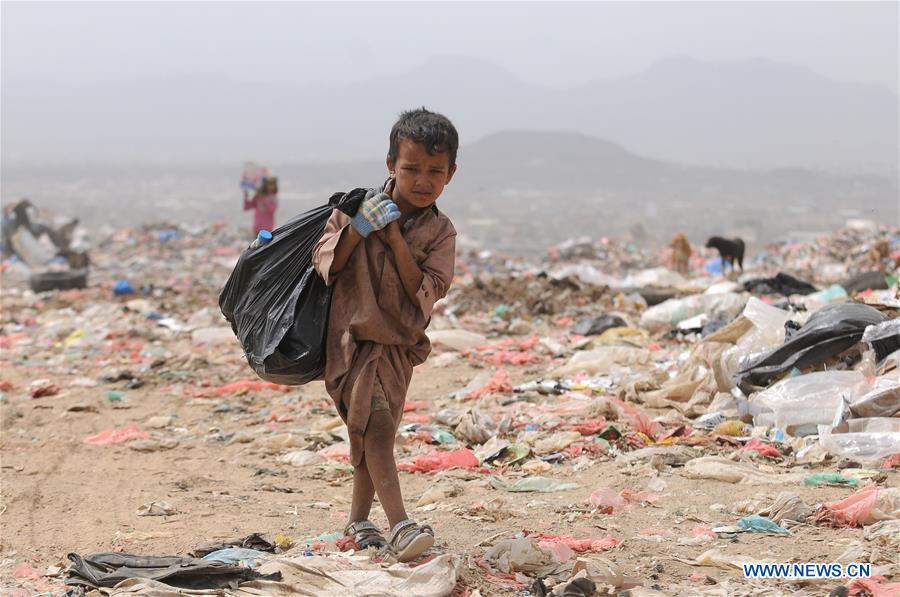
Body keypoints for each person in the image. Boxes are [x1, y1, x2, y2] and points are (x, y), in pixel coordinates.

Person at [311, 108, 458, 562]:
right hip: (350, 341)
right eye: (411, 168)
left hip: (398, 345)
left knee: (375, 430)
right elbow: (325, 264)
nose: (422, 180)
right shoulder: (353, 209)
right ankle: (400, 525)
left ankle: (358, 520)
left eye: (435, 171)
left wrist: (394, 238)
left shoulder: (440, 231)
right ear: (391, 164)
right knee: (374, 426)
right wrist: (359, 228)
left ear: (451, 173)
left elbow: (427, 293)